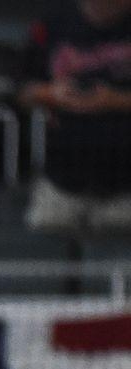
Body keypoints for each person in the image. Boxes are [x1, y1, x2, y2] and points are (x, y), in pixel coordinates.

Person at [20, 0, 131, 233]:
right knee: (42, 251)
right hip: (63, 177)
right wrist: (51, 93)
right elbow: (22, 90)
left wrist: (115, 100)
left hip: (125, 184)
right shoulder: (53, 23)